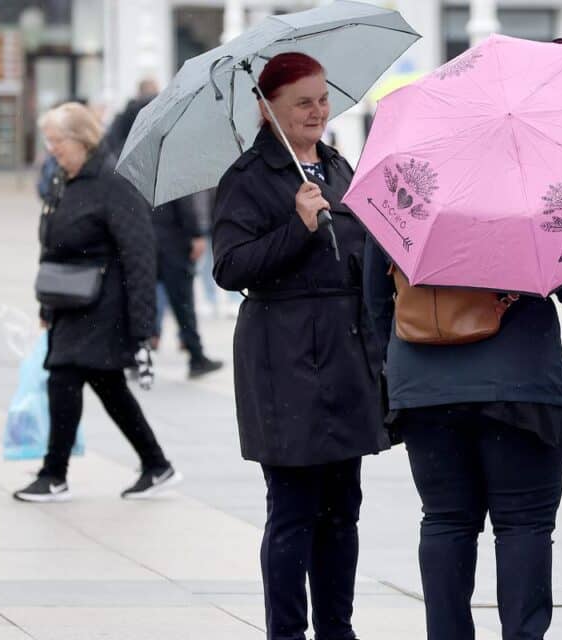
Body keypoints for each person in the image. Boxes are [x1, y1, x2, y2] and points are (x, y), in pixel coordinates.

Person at [211, 53, 390, 640]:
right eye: (302, 103)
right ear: (267, 109)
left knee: (343, 511)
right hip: (283, 359)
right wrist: (296, 227)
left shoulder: (338, 166)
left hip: (346, 354)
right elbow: (231, 267)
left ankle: (338, 629)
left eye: (321, 98)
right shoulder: (248, 177)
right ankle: (286, 632)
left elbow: (362, 250)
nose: (317, 111)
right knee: (293, 511)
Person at [364, 238, 562, 639]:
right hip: (520, 382)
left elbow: (374, 299)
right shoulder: (535, 186)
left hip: (426, 385)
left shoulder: (404, 184)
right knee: (523, 525)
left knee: (446, 521)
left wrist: (410, 362)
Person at [14, 103, 180, 503]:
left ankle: (55, 474)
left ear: (82, 139)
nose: (52, 149)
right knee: (106, 385)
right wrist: (46, 304)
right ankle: (156, 464)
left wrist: (143, 326)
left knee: (63, 378)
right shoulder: (63, 180)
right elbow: (51, 244)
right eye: (49, 141)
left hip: (104, 304)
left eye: (57, 141)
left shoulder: (114, 182)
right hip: (70, 301)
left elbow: (140, 255)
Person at [152, 192, 224, 378]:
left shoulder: (138, 175)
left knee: (149, 302)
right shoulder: (174, 177)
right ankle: (196, 356)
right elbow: (185, 206)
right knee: (183, 304)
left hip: (149, 244)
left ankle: (140, 354)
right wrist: (197, 234)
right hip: (173, 245)